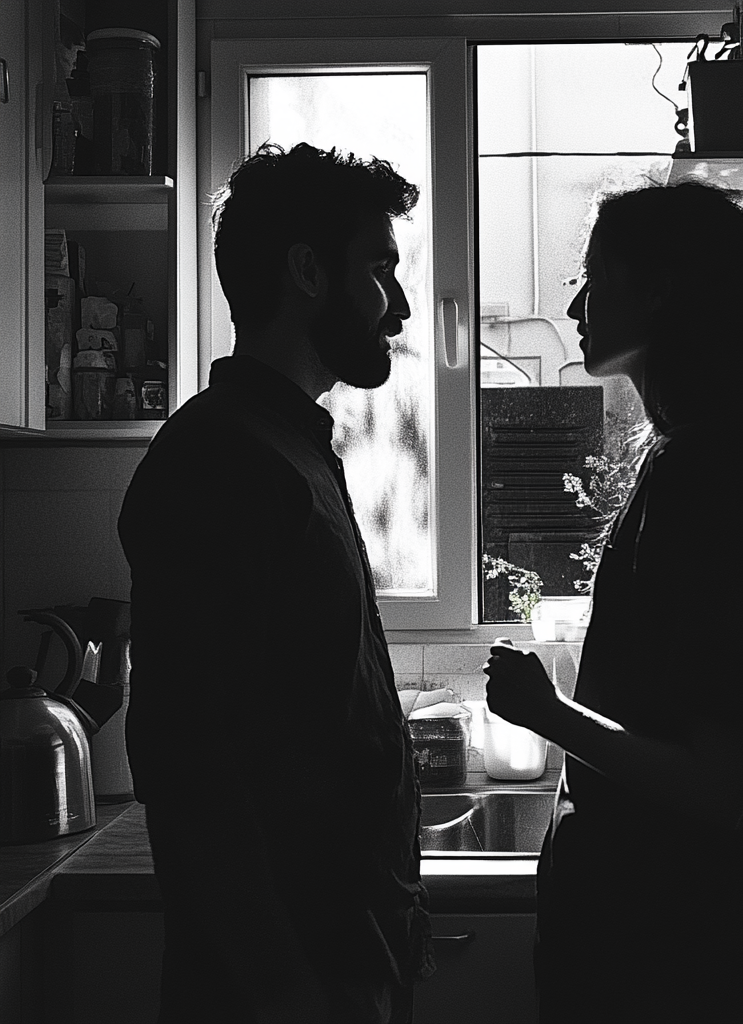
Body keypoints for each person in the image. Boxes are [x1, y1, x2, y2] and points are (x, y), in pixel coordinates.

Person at [484, 179, 743, 1022]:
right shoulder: (691, 459)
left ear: (660, 291)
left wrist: (547, 711)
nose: (576, 302)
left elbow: (718, 785)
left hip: (672, 955)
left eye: (595, 276)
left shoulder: (704, 479)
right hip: (658, 938)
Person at [118, 143, 433, 1024]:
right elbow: (189, 773)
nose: (400, 306)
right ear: (305, 270)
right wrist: (287, 993)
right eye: (379, 269)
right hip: (283, 987)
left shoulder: (286, 446)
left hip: (343, 957)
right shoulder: (219, 460)